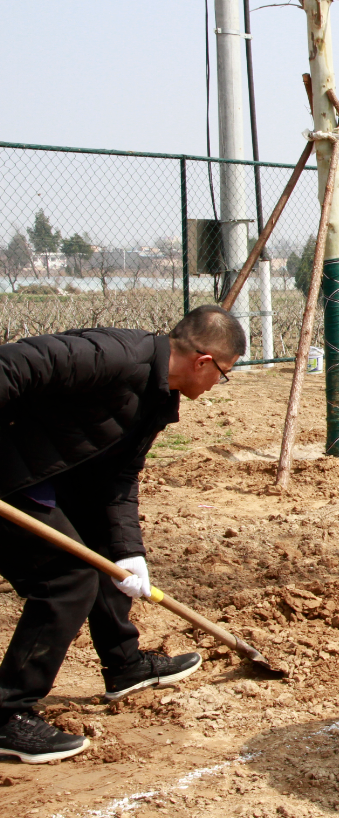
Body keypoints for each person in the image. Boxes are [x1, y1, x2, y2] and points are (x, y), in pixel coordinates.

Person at [0, 306, 245, 764]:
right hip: (10, 475)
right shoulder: (113, 355)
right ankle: (7, 712)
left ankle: (124, 665)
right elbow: (15, 363)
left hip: (49, 474)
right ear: (204, 362)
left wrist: (130, 552)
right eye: (224, 376)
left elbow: (119, 480)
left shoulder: (156, 397)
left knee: (106, 550)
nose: (217, 388)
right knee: (68, 578)